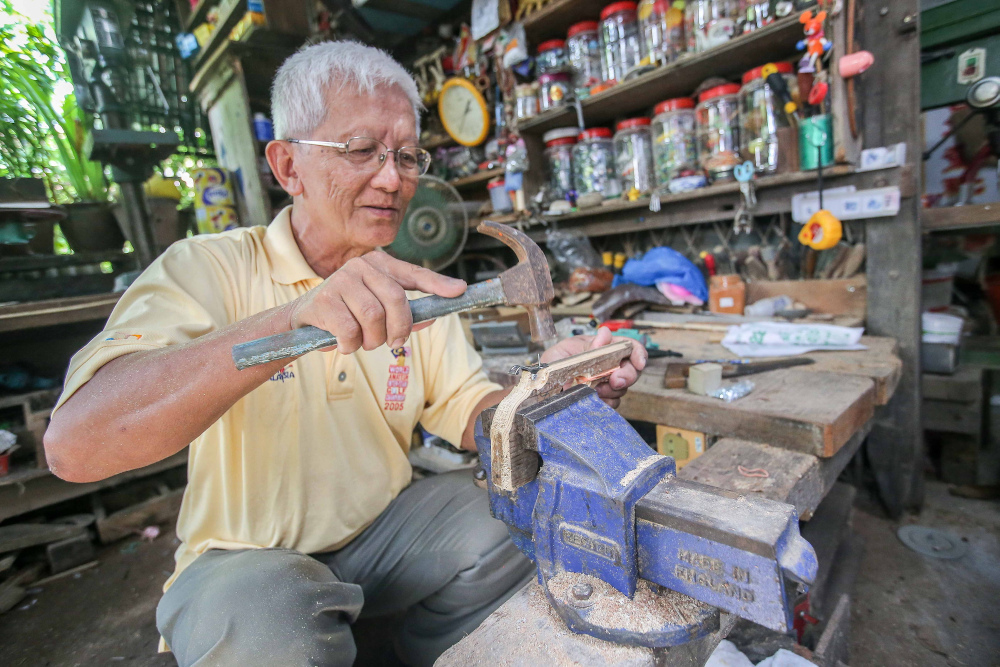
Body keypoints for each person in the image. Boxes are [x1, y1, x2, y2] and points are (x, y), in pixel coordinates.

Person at [44, 41, 646, 667]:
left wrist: (539, 396)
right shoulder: (207, 269)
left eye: (408, 156)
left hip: (384, 538)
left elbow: (470, 410)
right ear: (288, 166)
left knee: (516, 515)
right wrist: (287, 322)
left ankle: (425, 654)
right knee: (271, 623)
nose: (392, 179)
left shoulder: (415, 288)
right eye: (361, 151)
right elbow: (74, 446)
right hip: (243, 562)